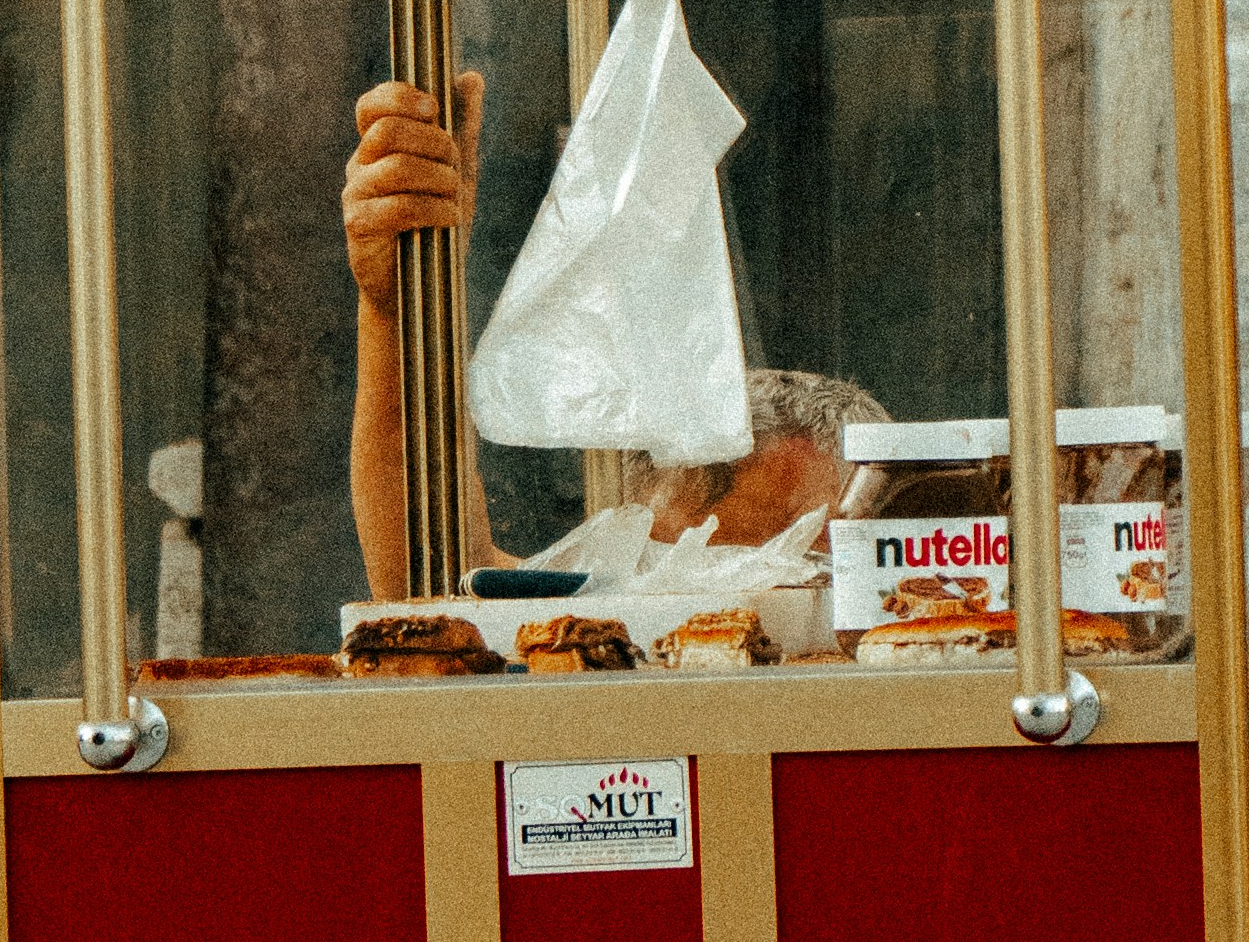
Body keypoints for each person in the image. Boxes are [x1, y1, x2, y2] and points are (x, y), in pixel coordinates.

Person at [340, 70, 873, 609]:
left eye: (792, 571)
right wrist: (402, 305)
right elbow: (434, 586)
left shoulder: (923, 657)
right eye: (663, 579)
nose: (718, 632)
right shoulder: (588, 642)